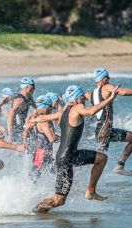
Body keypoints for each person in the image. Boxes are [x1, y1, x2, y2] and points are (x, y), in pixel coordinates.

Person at [30, 84, 119, 213]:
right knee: (58, 201)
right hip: (66, 158)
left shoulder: (64, 112)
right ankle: (33, 212)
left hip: (70, 155)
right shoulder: (77, 107)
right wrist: (110, 98)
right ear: (76, 98)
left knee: (102, 158)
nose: (84, 98)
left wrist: (32, 121)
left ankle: (91, 191)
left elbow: (43, 117)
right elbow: (91, 111)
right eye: (82, 96)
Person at [91, 68, 132, 176]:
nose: (110, 80)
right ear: (104, 78)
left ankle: (119, 166)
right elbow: (123, 92)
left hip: (103, 129)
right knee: (98, 161)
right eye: (108, 78)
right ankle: (86, 184)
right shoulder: (107, 87)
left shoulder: (93, 93)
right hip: (104, 130)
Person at [23, 95, 59, 180]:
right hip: (43, 154)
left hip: (38, 152)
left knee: (36, 176)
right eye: (50, 107)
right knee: (35, 177)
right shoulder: (44, 122)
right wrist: (64, 138)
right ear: (46, 106)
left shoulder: (35, 118)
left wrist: (27, 144)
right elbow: (52, 139)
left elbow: (25, 134)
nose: (51, 109)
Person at [7, 76, 36, 143]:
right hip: (17, 129)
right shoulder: (20, 100)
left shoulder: (29, 97)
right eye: (33, 86)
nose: (34, 88)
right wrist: (10, 135)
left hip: (23, 127)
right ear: (26, 87)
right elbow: (10, 116)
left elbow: (37, 108)